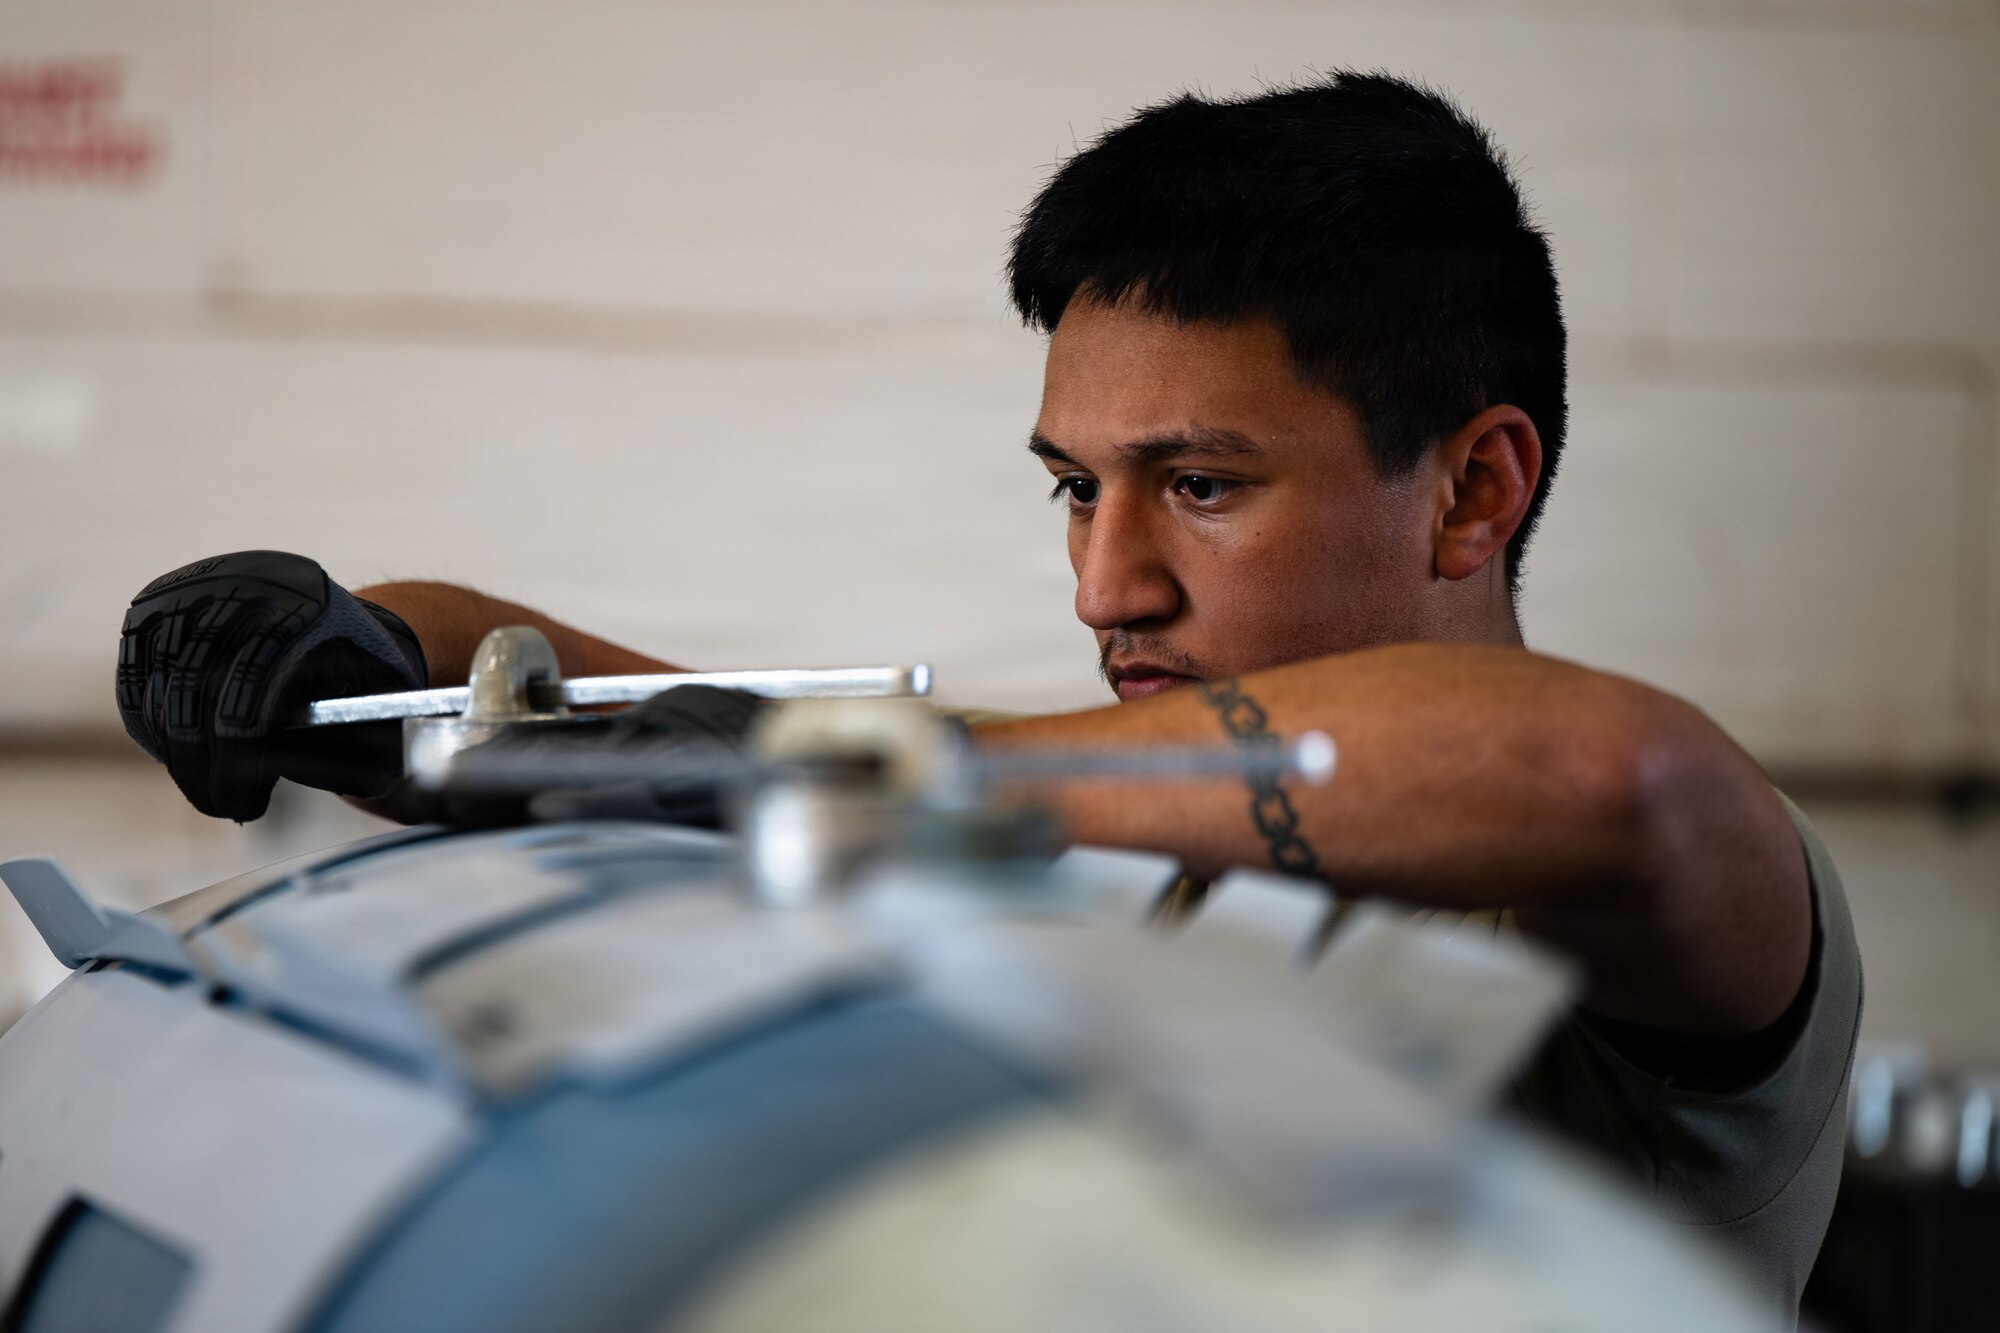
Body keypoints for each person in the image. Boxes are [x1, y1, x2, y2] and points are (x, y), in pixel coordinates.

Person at [115, 72, 1859, 1319]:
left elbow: (1614, 775)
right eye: (1074, 488)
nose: (1107, 584)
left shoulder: (1658, 889)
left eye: (1202, 485)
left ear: (1476, 491)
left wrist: (890, 776)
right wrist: (365, 645)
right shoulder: (1128, 816)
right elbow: (651, 703)